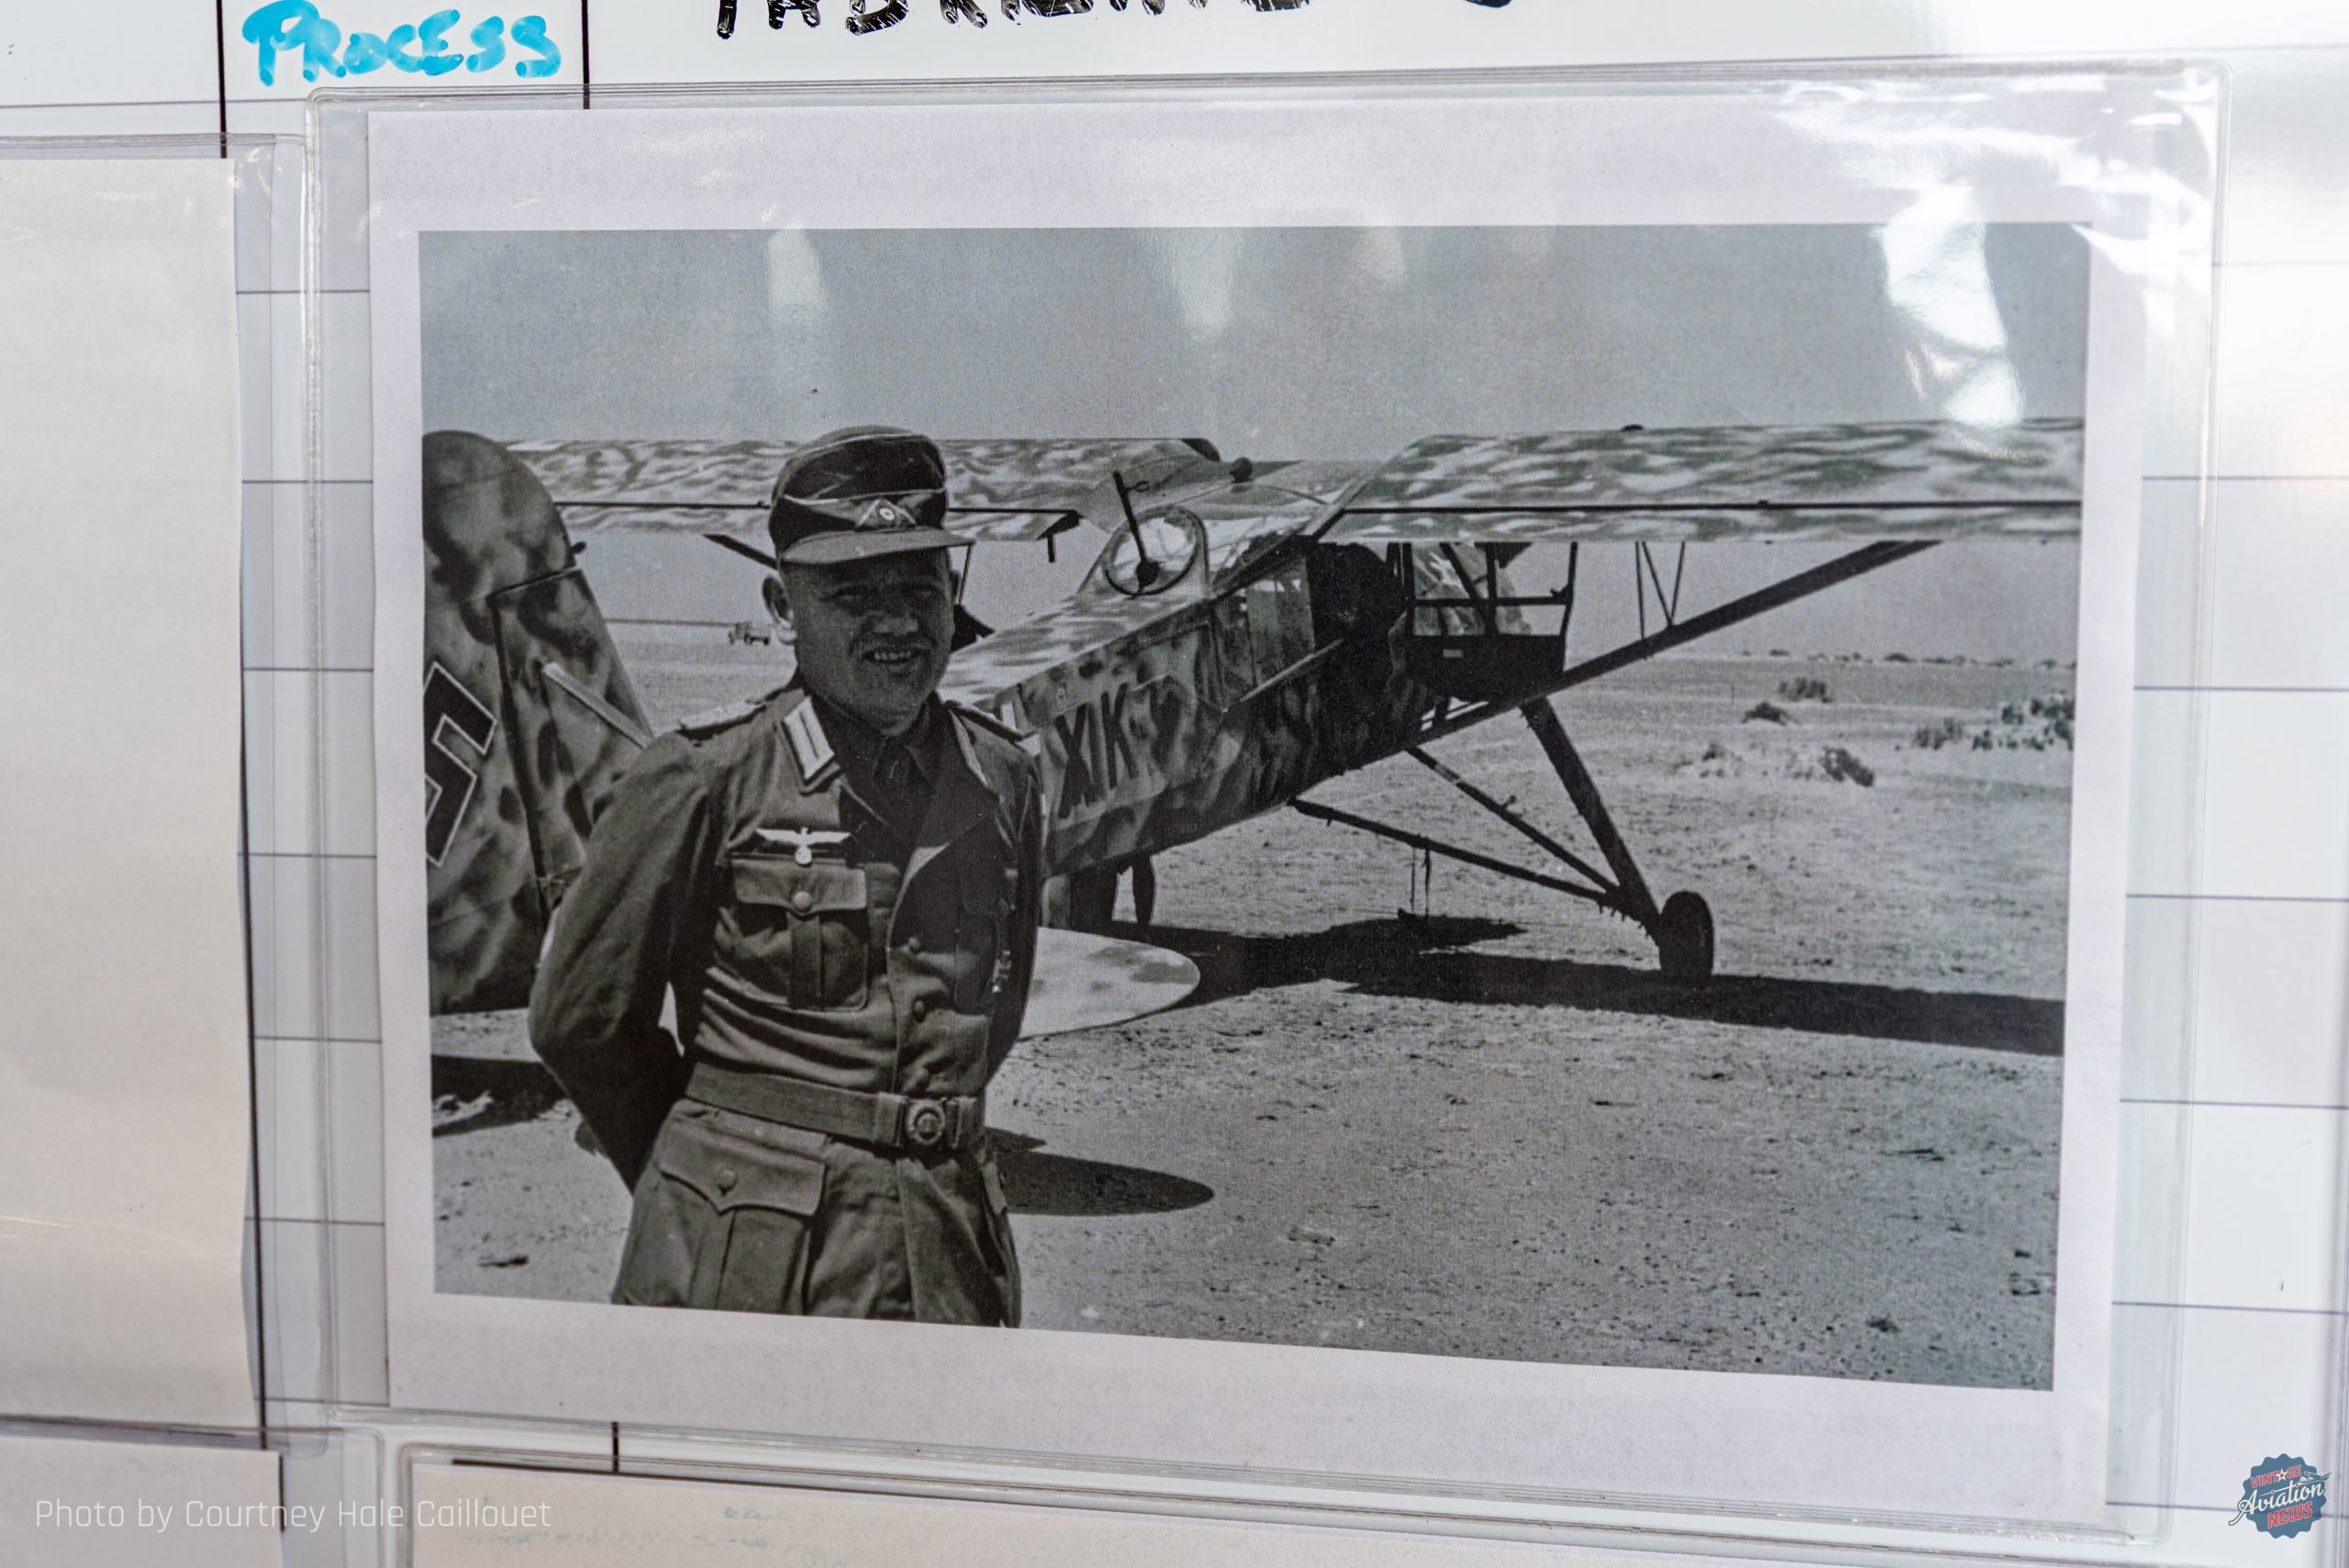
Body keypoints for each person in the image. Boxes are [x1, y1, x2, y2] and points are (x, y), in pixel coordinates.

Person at [528, 426, 1044, 1326]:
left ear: (952, 592)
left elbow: (990, 1017)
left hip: (951, 1255)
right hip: (751, 1268)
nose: (895, 620)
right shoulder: (703, 776)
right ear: (781, 605)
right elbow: (580, 1020)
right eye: (852, 592)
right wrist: (712, 1172)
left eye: (919, 585)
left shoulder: (1002, 779)